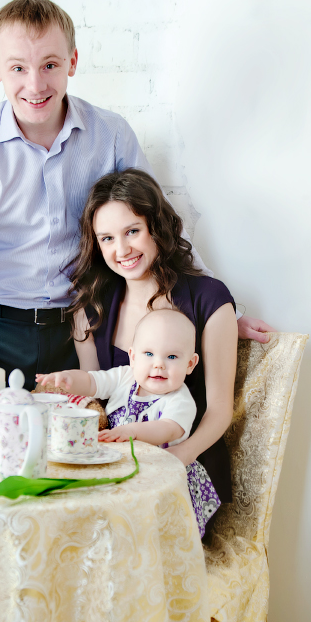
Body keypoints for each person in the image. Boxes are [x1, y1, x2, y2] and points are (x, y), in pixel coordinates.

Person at [0, 0, 274, 390]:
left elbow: (159, 225)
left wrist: (219, 313)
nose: (35, 85)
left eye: (50, 65)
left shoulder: (111, 135)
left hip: (80, 335)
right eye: (18, 67)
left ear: (72, 61)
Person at [66, 168, 240, 530]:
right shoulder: (90, 307)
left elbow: (220, 410)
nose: (122, 250)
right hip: (115, 465)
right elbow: (94, 398)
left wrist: (178, 457)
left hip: (184, 465)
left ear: (156, 227)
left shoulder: (210, 299)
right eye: (107, 238)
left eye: (133, 231)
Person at [37, 308, 199, 447]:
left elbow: (168, 429)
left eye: (172, 357)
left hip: (160, 468)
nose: (159, 365)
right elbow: (92, 382)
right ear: (133, 357)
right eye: (149, 354)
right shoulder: (125, 377)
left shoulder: (180, 401)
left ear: (190, 364)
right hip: (119, 461)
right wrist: (69, 378)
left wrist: (132, 431)